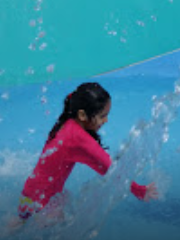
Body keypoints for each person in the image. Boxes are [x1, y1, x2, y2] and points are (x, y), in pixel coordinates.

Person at [17, 82, 158, 221]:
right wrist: (138, 190)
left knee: (19, 223)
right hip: (43, 204)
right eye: (102, 116)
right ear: (82, 115)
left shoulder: (66, 122)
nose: (106, 120)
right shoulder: (77, 139)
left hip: (29, 195)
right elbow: (111, 169)